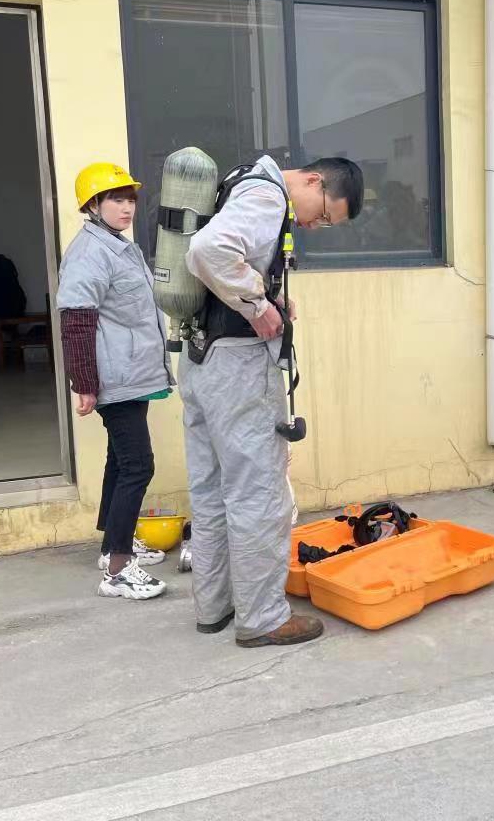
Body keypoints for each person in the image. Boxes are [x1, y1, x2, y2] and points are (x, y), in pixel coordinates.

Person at [182, 153, 364, 648]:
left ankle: (215, 606)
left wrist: (268, 295)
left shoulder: (240, 181)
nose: (314, 224)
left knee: (212, 491)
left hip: (202, 362)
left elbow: (222, 263)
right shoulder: (267, 195)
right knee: (259, 495)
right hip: (238, 370)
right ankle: (262, 618)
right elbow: (209, 249)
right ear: (313, 180)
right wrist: (257, 305)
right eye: (323, 213)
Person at [57, 162, 175, 601]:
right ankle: (118, 569)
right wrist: (85, 383)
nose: (127, 208)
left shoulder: (118, 246)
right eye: (116, 200)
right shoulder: (90, 252)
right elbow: (76, 320)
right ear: (93, 205)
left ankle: (113, 545)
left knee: (120, 460)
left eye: (130, 200)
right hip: (116, 377)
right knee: (139, 465)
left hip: (133, 373)